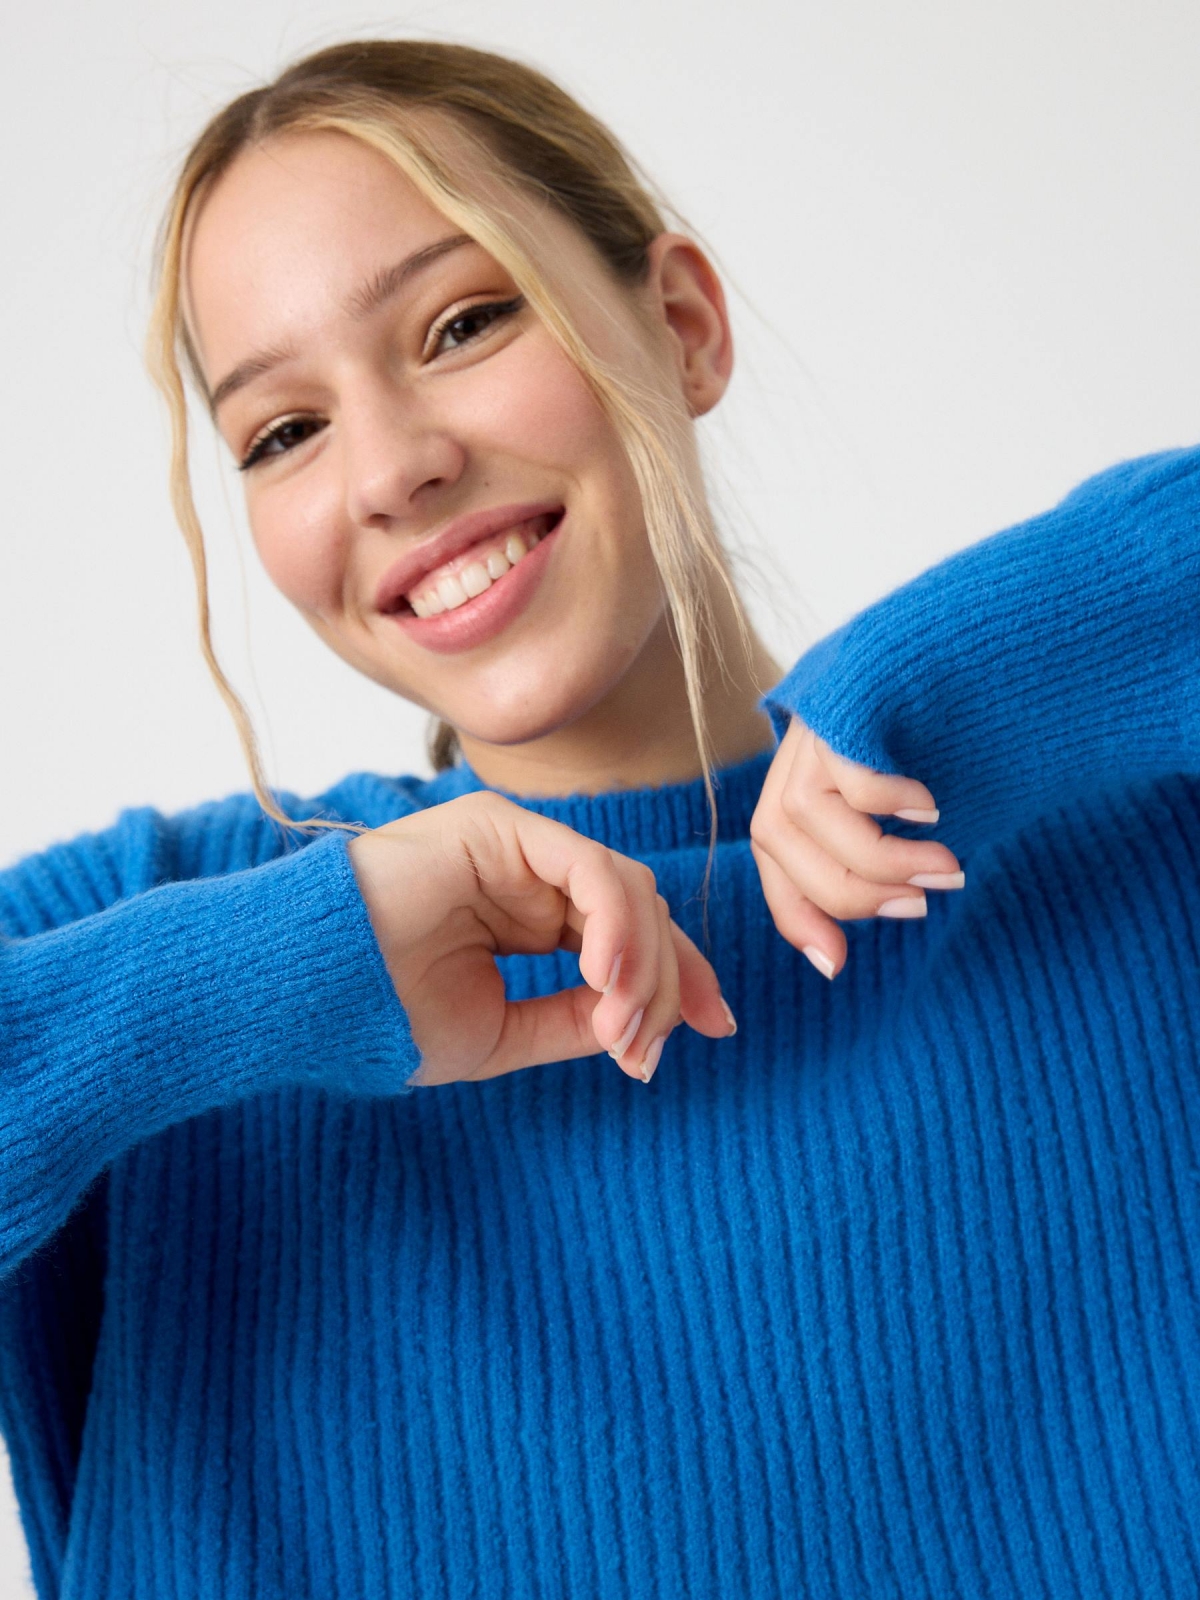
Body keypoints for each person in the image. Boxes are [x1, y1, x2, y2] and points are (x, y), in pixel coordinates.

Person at [1, 36, 1197, 1600]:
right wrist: (298, 967)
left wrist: (982, 680)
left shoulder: (1133, 844)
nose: (392, 469)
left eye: (463, 320)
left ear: (683, 325)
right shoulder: (165, 949)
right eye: (283, 431)